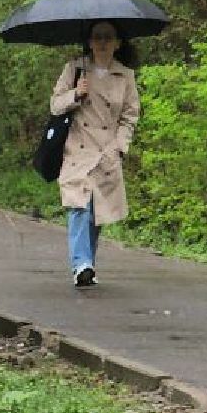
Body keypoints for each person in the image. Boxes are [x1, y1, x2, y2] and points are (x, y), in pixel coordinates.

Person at [49, 20, 140, 287]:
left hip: (106, 152)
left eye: (108, 37)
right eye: (97, 37)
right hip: (77, 149)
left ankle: (86, 264)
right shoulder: (75, 68)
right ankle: (82, 265)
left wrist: (121, 147)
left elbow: (130, 116)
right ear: (89, 41)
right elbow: (55, 105)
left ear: (117, 43)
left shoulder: (125, 76)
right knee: (79, 207)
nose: (102, 42)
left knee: (97, 211)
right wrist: (75, 94)